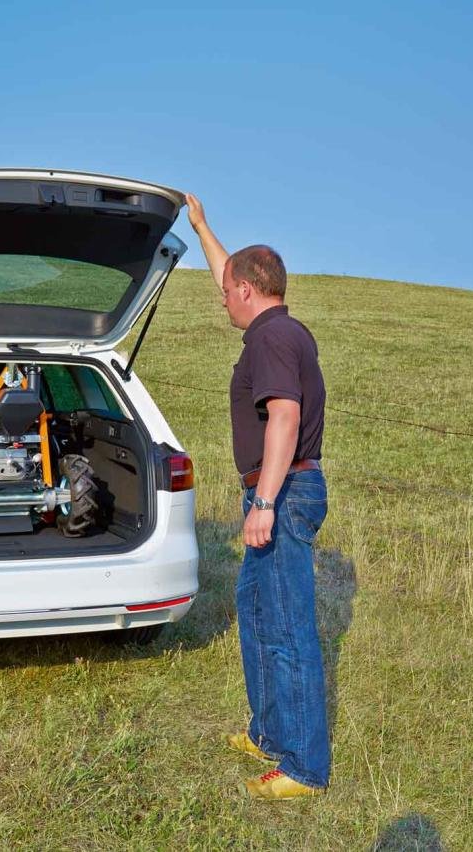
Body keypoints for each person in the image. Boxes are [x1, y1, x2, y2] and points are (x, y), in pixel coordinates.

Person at [186, 193, 330, 801]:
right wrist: (200, 225)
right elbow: (229, 268)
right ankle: (270, 732)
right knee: (259, 613)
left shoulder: (271, 340)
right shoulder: (278, 326)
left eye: (226, 290)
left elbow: (285, 418)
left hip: (283, 492)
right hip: (280, 489)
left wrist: (265, 503)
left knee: (289, 629)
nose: (221, 297)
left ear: (247, 289)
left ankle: (302, 767)